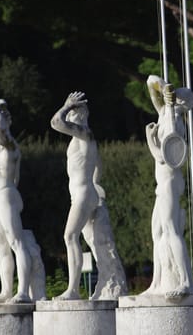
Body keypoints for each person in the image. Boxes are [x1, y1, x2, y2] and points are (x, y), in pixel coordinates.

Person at [51, 91, 127, 300]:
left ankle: (73, 290)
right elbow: (98, 166)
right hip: (84, 193)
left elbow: (56, 122)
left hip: (83, 194)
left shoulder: (85, 133)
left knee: (69, 236)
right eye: (71, 113)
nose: (70, 117)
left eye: (74, 113)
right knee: (93, 242)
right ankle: (108, 279)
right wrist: (95, 186)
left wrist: (66, 105)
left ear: (82, 115)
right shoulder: (82, 139)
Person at [142, 75, 193, 298]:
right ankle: (157, 282)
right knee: (157, 232)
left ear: (180, 103)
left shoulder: (176, 123)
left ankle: (185, 281)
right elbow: (149, 81)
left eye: (175, 96)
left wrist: (150, 140)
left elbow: (167, 157)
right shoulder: (164, 114)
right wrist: (164, 87)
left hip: (170, 182)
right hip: (160, 185)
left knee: (172, 231)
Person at [0, 99, 32, 304]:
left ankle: (22, 291)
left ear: (7, 121)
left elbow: (1, 134)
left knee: (16, 242)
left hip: (6, 194)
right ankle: (6, 291)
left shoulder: (10, 145)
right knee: (1, 246)